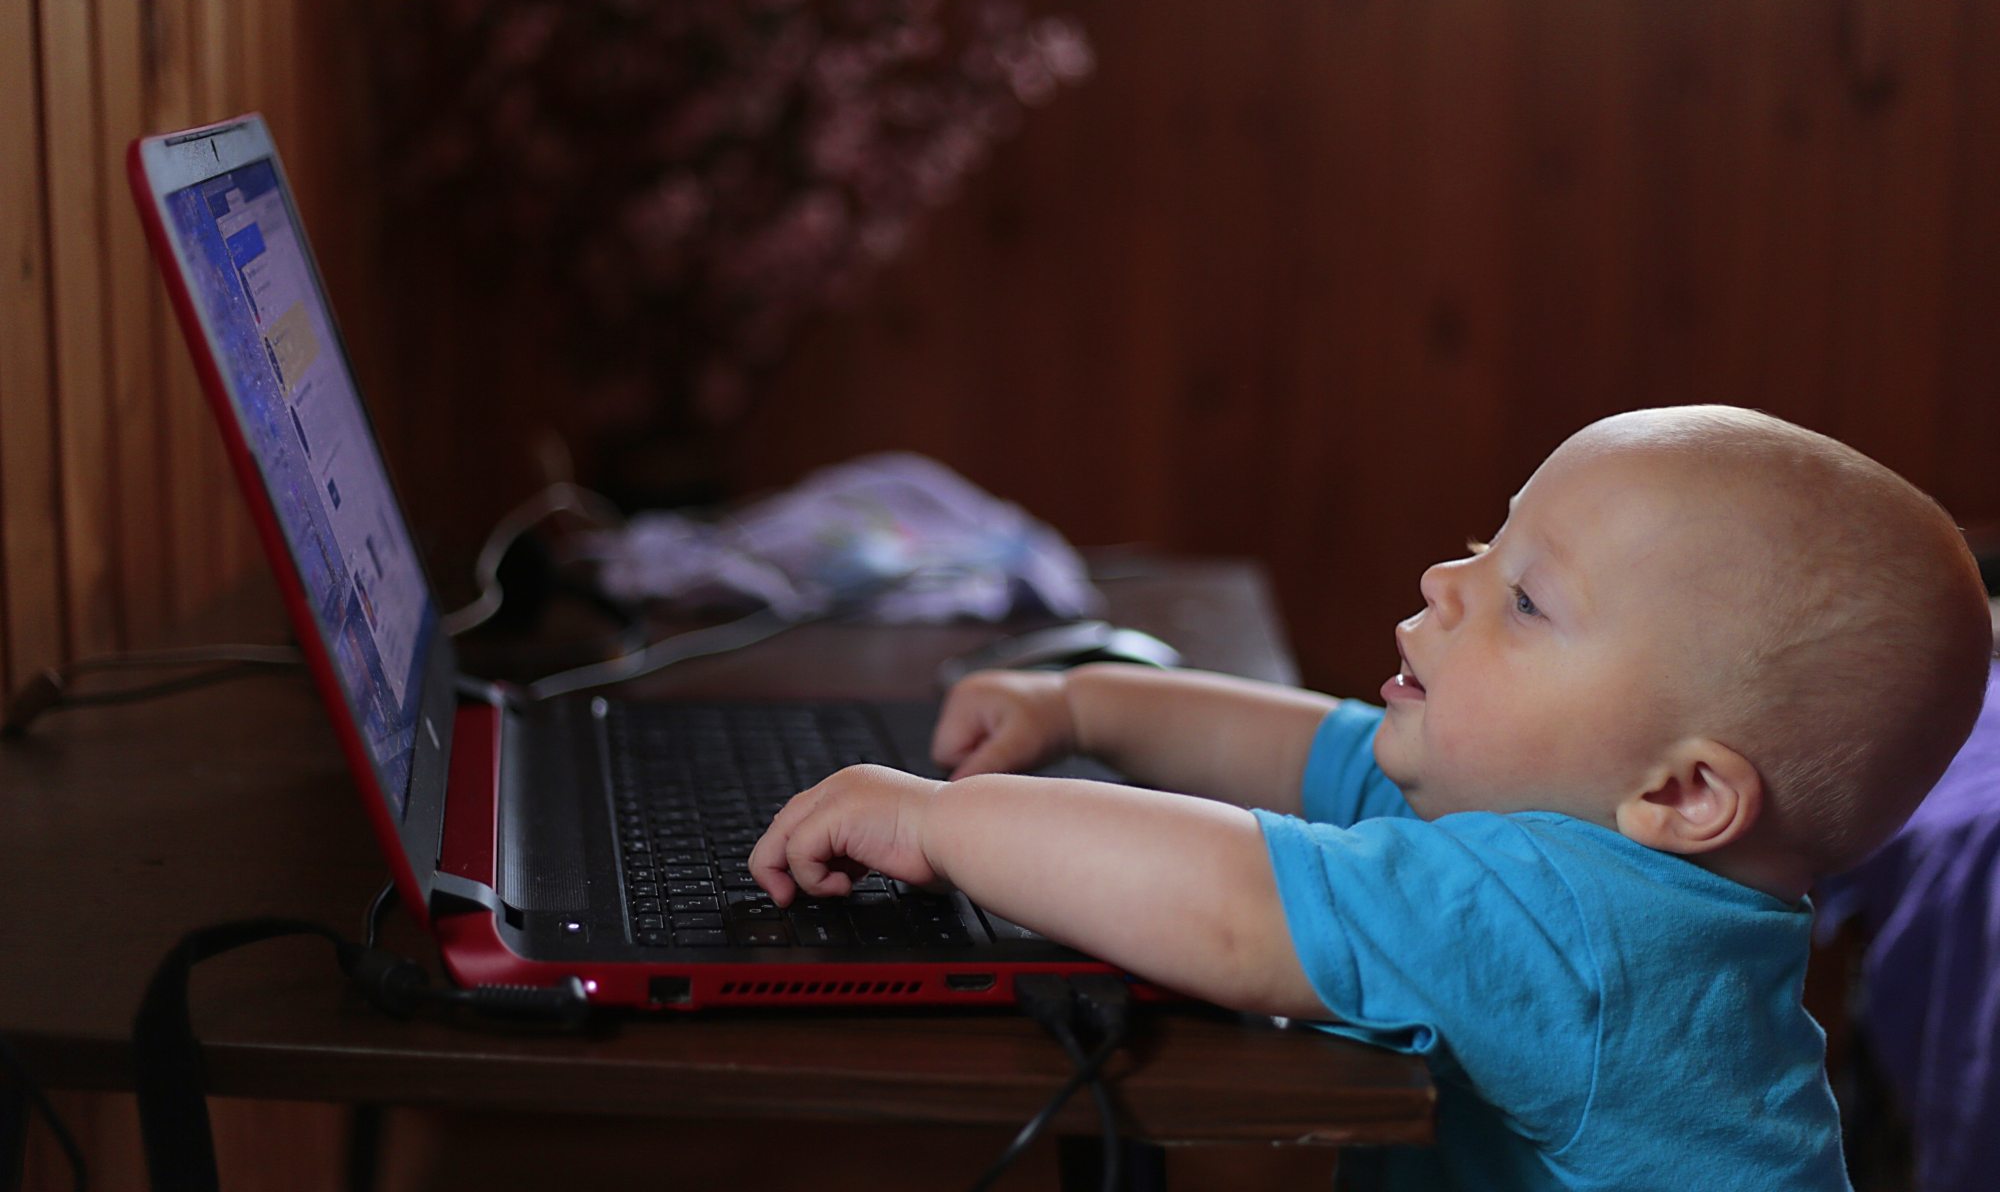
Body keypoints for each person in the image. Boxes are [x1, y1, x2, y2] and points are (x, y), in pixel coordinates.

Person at [748, 405, 1994, 1191]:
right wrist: (1083, 706)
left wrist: (938, 822)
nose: (1447, 579)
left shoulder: (1580, 925)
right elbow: (1314, 750)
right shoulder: (1549, 811)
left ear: (1679, 789)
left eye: (1523, 598)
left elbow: (1234, 908)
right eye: (1490, 541)